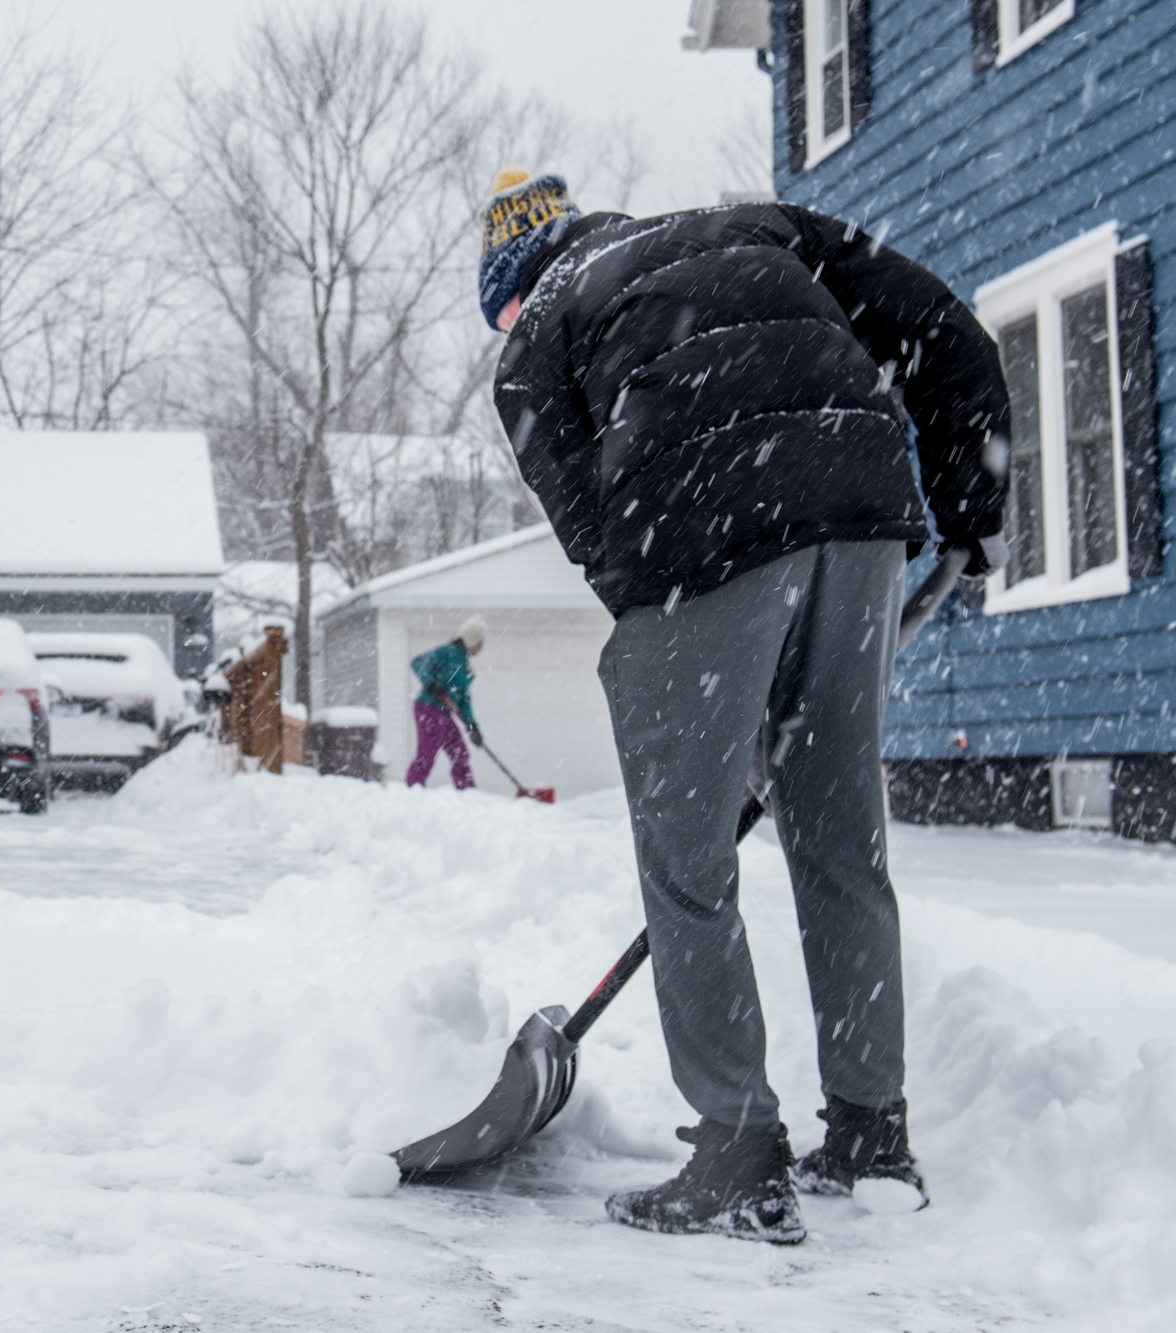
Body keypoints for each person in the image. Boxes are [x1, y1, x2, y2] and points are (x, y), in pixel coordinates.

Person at [480, 169, 1008, 1242]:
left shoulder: (536, 334)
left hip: (700, 520)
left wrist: (700, 685)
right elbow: (949, 332)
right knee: (840, 838)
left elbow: (592, 529)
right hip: (864, 507)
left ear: (514, 286)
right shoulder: (754, 223)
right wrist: (971, 502)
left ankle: (736, 1152)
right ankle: (870, 1132)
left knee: (687, 862)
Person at [406, 617, 487, 790]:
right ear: (472, 641)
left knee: (460, 754)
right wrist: (431, 685)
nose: (481, 648)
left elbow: (463, 700)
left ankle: (468, 793)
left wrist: (472, 726)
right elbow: (417, 662)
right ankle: (412, 791)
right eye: (480, 643)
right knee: (426, 755)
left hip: (443, 713)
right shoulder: (447, 652)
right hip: (428, 708)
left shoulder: (465, 666)